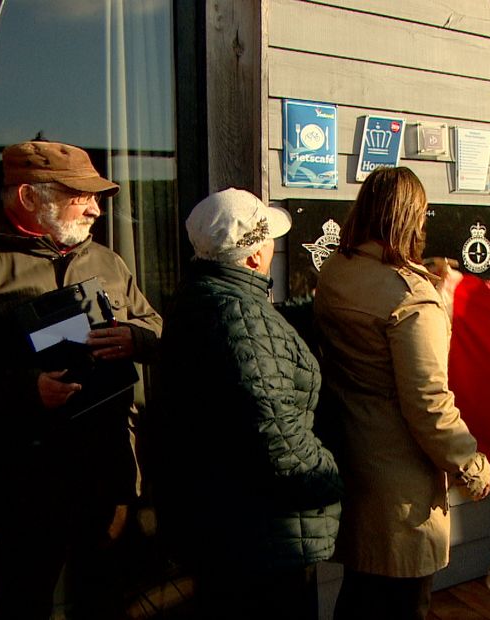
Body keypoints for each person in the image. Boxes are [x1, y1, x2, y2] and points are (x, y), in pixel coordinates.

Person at [0, 141, 162, 618]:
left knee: (105, 597)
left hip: (106, 466)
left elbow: (154, 326)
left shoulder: (108, 262)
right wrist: (26, 391)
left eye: (97, 197)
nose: (96, 209)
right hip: (24, 477)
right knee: (24, 599)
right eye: (80, 195)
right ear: (27, 197)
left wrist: (135, 339)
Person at [153, 188, 343, 619]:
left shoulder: (205, 296)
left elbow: (263, 335)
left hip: (226, 526)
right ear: (254, 256)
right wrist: (335, 475)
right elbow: (279, 441)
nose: (274, 247)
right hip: (260, 539)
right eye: (268, 239)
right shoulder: (238, 315)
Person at [314, 166, 490, 619]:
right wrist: (471, 465)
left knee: (358, 598)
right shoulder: (410, 299)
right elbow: (429, 404)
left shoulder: (338, 270)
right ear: (410, 217)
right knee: (400, 605)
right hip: (402, 493)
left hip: (354, 462)